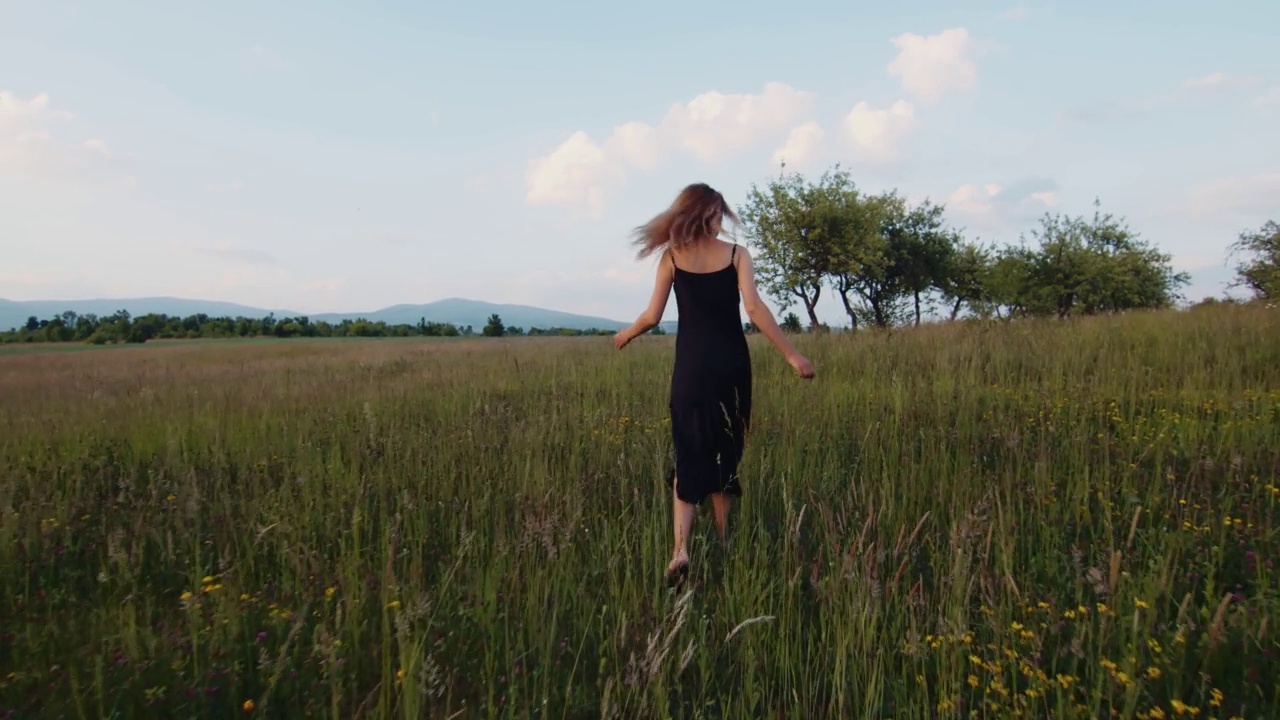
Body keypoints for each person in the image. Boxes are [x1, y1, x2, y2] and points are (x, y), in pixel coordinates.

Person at [613, 182, 815, 584]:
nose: (722, 219)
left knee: (687, 451)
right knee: (726, 451)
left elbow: (652, 316)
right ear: (709, 213)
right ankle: (724, 544)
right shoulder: (737, 255)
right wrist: (792, 355)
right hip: (731, 366)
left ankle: (680, 550)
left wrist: (625, 335)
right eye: (719, 212)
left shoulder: (671, 257)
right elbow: (754, 308)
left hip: (690, 368)